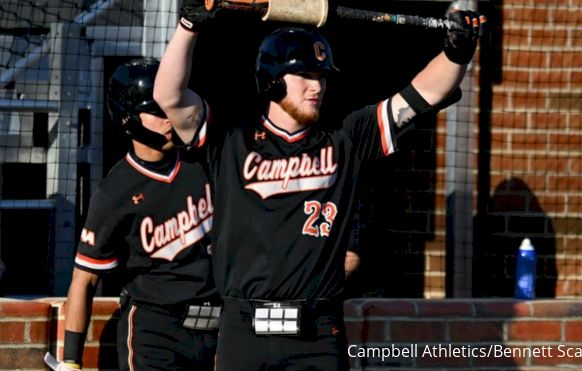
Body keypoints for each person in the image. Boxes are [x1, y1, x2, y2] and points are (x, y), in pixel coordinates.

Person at [154, 1, 485, 369]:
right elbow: (168, 97)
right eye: (306, 76)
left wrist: (457, 51)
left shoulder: (346, 137)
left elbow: (424, 95)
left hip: (317, 331)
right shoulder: (230, 140)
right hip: (241, 329)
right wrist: (187, 26)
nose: (318, 87)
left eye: (323, 77)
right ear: (273, 80)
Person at [56, 58, 219, 371]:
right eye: (158, 112)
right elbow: (84, 279)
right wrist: (71, 361)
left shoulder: (204, 161)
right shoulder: (114, 192)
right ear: (129, 121)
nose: (170, 118)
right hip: (155, 330)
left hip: (217, 324)